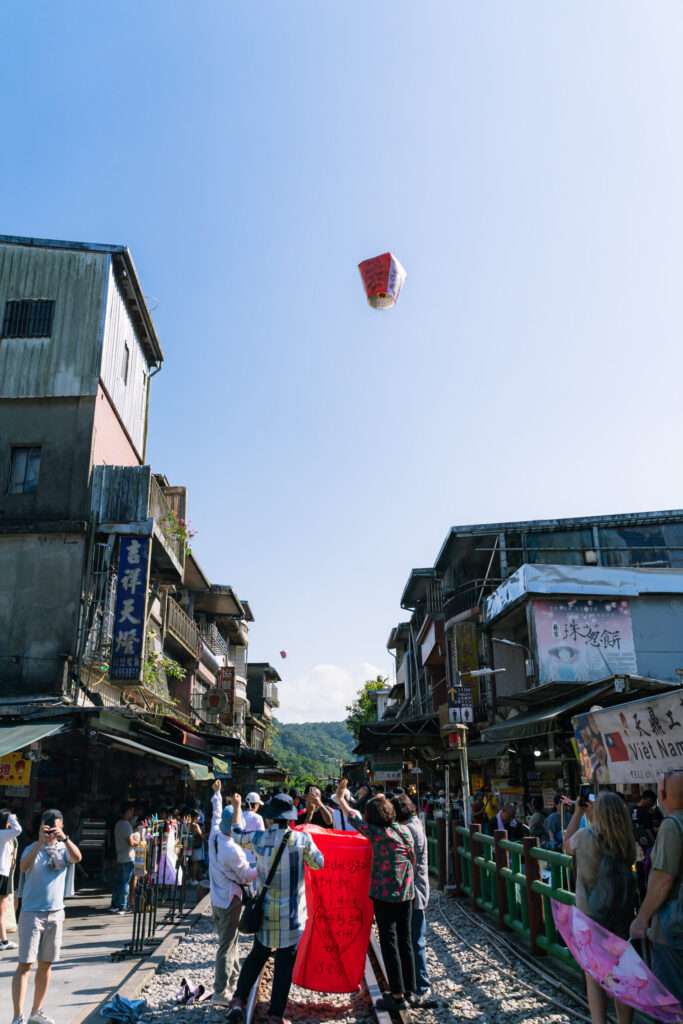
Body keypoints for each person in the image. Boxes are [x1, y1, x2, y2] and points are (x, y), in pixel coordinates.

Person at [227, 793, 324, 1024]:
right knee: (284, 966)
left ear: (270, 817)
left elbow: (236, 834)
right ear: (290, 818)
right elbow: (319, 863)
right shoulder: (302, 840)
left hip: (265, 912)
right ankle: (275, 1015)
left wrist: (238, 807)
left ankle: (238, 1000)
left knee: (257, 956)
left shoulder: (259, 838)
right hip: (292, 916)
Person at [335, 779, 416, 1012]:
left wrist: (340, 799)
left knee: (389, 943)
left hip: (384, 895)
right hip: (406, 893)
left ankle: (397, 995)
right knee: (405, 940)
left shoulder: (377, 833)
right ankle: (410, 991)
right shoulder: (404, 831)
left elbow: (353, 817)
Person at [564, 792, 636, 1024]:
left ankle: (599, 1021)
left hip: (590, 916)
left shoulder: (585, 836)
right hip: (622, 914)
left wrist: (578, 812)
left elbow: (566, 844)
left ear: (599, 813)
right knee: (622, 974)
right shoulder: (626, 842)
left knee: (594, 976)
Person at [11, 809, 82, 1024]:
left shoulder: (64, 849)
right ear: (41, 827)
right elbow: (24, 867)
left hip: (55, 913)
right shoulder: (32, 848)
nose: (52, 832)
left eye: (56, 828)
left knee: (46, 964)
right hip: (32, 914)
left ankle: (36, 1012)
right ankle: (18, 1016)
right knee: (25, 964)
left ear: (62, 827)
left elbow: (78, 857)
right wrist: (40, 843)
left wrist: (65, 839)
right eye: (48, 828)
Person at [630, 769, 683, 1006]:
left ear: (662, 794)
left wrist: (642, 918)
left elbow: (663, 879)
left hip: (674, 927)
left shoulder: (672, 825)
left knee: (672, 1003)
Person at [209, 806, 258, 1007]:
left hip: (216, 898)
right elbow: (246, 876)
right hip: (231, 900)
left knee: (231, 942)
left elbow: (215, 815)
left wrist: (217, 795)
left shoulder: (214, 836)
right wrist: (264, 866)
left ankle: (232, 982)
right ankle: (220, 991)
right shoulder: (232, 849)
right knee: (226, 946)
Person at [392, 794, 437, 1009]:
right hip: (417, 889)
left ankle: (420, 986)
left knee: (414, 940)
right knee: (413, 939)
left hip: (413, 892)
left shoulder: (407, 829)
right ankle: (415, 984)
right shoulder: (415, 823)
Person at [110, 803, 139, 914]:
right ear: (127, 812)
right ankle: (123, 906)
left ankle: (115, 905)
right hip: (127, 857)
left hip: (120, 856)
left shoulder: (118, 823)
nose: (132, 814)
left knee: (118, 882)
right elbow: (130, 842)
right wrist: (139, 842)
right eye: (131, 811)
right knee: (125, 883)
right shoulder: (126, 825)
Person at [0, 808, 22, 951]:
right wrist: (11, 817)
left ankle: (3, 940)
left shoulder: (4, 835)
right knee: (1, 910)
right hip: (1, 874)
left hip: (4, 873)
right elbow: (18, 830)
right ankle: (3, 941)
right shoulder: (3, 834)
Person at [189, 810, 205, 882]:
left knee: (191, 863)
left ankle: (190, 878)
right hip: (196, 846)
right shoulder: (196, 825)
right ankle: (193, 879)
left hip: (190, 845)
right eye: (198, 816)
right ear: (195, 817)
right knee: (195, 863)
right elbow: (201, 835)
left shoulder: (189, 824)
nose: (199, 818)